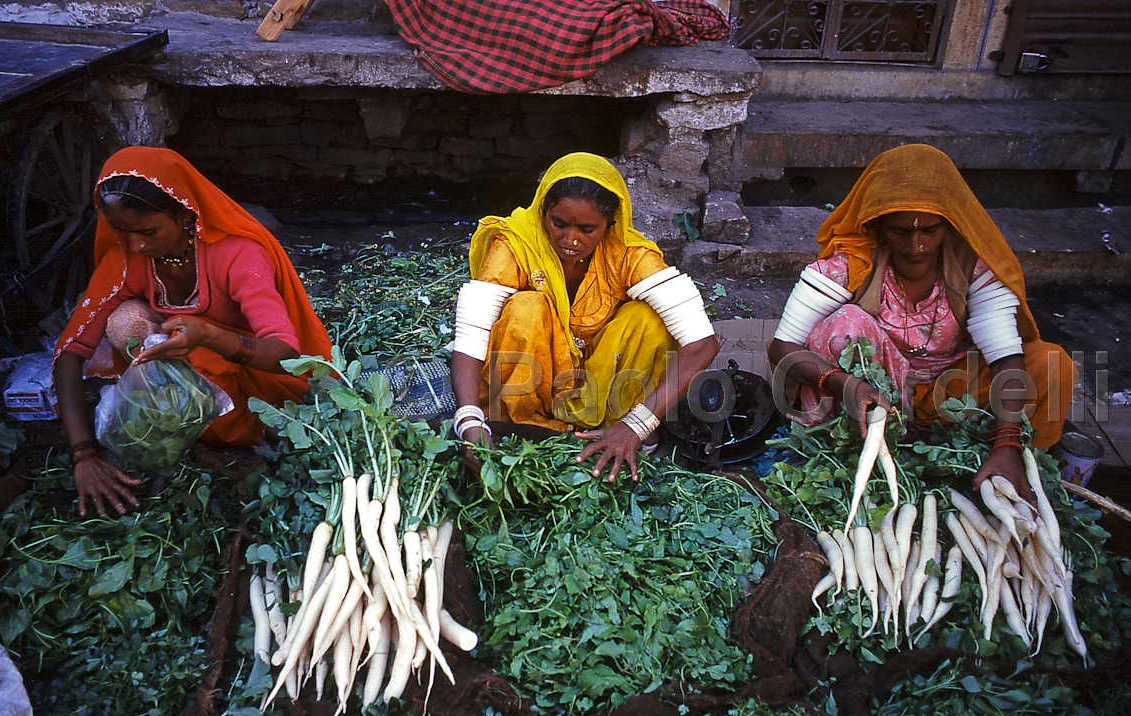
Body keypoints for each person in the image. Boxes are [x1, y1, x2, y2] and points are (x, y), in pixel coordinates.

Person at [768, 144, 1075, 503]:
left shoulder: (971, 266)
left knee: (1051, 364)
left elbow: (1004, 354)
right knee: (845, 322)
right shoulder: (849, 265)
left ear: (950, 224)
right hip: (872, 400)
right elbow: (782, 346)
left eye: (930, 230)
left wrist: (1006, 438)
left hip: (952, 392)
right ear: (879, 225)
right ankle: (852, 450)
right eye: (900, 232)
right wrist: (843, 383)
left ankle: (1015, 465)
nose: (916, 246)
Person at [53, 146, 333, 517]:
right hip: (185, 381)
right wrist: (84, 456)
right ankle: (197, 431)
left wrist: (211, 337)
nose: (137, 244)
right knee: (124, 319)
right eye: (122, 231)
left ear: (185, 212)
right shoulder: (128, 256)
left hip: (262, 378)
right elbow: (70, 351)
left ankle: (241, 430)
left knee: (199, 361)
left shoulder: (237, 254)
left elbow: (287, 356)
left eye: (148, 231)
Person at [450, 152, 720, 481]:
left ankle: (618, 435)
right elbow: (471, 336)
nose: (570, 239)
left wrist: (637, 426)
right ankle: (522, 431)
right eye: (559, 223)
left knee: (649, 319)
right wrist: (469, 420)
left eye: (587, 229)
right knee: (525, 308)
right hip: (531, 386)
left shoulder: (629, 253)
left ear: (610, 224)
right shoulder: (517, 243)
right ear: (543, 211)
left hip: (604, 386)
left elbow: (703, 343)